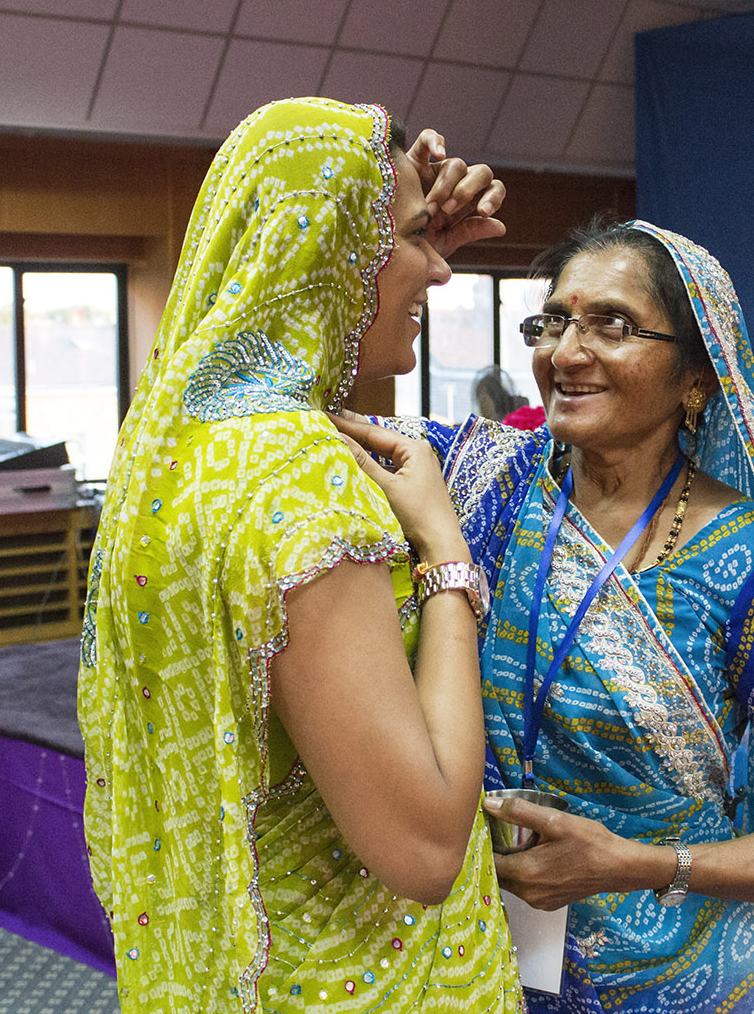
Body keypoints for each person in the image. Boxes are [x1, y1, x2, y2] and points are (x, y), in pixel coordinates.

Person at [340, 217, 754, 1012]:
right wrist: (393, 243)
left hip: (681, 978)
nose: (564, 352)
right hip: (473, 963)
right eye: (554, 321)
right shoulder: (472, 476)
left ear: (697, 377)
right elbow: (281, 406)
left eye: (613, 325)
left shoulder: (752, 561)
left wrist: (634, 861)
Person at [77, 97, 523, 1013]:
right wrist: (444, 552)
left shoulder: (172, 450)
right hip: (353, 975)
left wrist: (396, 248)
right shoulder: (303, 484)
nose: (440, 268)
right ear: (329, 258)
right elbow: (425, 845)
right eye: (411, 238)